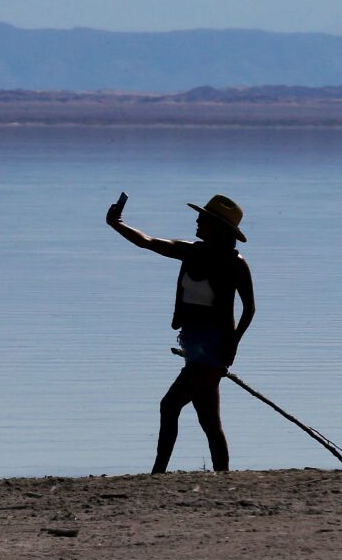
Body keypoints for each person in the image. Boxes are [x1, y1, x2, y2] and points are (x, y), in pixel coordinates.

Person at [106, 193, 255, 473]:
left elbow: (250, 309)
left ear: (219, 227)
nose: (197, 221)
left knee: (169, 405)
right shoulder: (191, 252)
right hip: (193, 347)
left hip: (214, 351)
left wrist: (233, 344)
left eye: (204, 219)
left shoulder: (236, 264)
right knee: (209, 421)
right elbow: (148, 242)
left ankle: (158, 473)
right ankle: (222, 477)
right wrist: (118, 224)